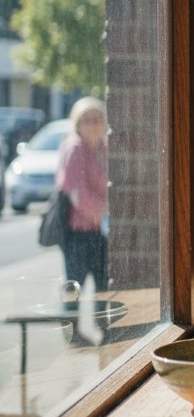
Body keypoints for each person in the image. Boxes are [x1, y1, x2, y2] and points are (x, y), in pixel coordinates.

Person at [57, 97, 109, 291]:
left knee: (105, 292)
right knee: (74, 293)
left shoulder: (105, 148)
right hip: (79, 233)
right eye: (88, 120)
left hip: (101, 232)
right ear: (78, 124)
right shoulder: (75, 148)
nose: (94, 124)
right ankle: (71, 323)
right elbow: (76, 192)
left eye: (98, 119)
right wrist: (103, 210)